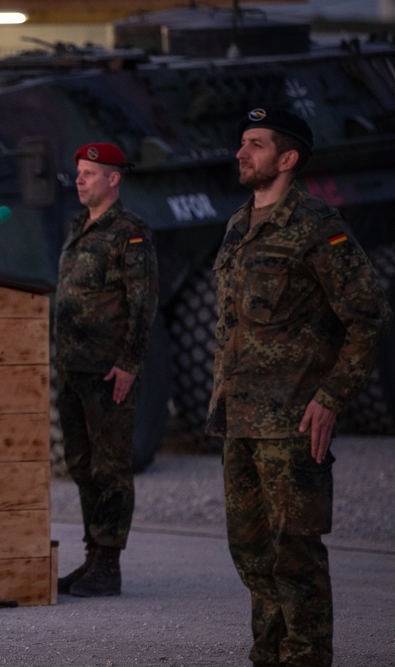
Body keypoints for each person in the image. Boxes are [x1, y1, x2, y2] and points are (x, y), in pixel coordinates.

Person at [209, 108, 390, 667]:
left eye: (255, 145)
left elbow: (369, 316)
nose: (241, 153)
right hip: (239, 419)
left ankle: (307, 657)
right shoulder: (238, 225)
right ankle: (268, 655)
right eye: (242, 142)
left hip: (292, 420)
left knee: (296, 554)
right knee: (252, 553)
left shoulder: (316, 226)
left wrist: (331, 397)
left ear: (286, 159)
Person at [55, 142, 158, 597]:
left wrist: (129, 364)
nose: (79, 180)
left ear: (114, 179)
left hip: (107, 371)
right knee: (81, 464)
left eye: (90, 173)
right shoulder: (79, 227)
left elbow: (143, 304)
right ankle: (92, 555)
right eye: (78, 172)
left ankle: (109, 562)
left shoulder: (130, 232)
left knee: (110, 467)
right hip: (72, 368)